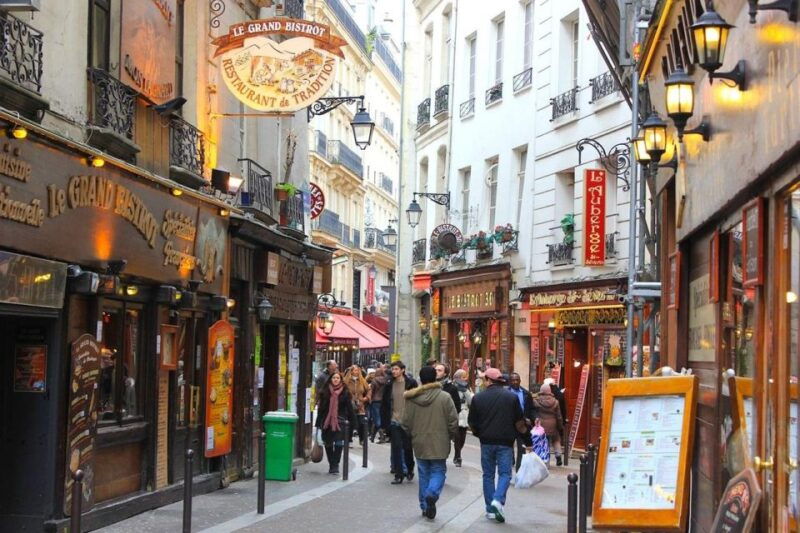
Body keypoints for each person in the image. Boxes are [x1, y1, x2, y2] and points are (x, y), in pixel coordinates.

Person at [468, 368, 531, 523]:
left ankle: (490, 509)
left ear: (489, 380)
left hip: (486, 442)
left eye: (484, 379)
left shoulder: (478, 398)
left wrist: (480, 433)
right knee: (505, 474)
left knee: (488, 475)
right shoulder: (511, 398)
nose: (483, 382)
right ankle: (498, 499)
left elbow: (472, 423)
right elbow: (519, 423)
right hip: (505, 442)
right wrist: (528, 440)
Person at [402, 366, 459, 520]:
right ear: (435, 378)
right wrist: (449, 435)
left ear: (421, 379)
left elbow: (405, 422)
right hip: (440, 441)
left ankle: (424, 505)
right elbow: (453, 420)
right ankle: (432, 494)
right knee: (438, 470)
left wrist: (413, 434)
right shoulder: (445, 397)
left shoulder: (412, 398)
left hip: (419, 441)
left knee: (423, 473)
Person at [381, 360, 418, 484]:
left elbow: (417, 401)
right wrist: (384, 423)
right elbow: (384, 404)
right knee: (396, 448)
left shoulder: (411, 383)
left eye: (396, 369)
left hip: (407, 421)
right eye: (393, 369)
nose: (394, 371)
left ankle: (410, 469)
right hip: (394, 420)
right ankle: (399, 474)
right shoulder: (389, 384)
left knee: (407, 448)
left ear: (402, 370)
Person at [315, 371, 357, 474]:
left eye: (338, 378)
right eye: (334, 378)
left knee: (338, 442)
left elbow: (349, 408)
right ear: (330, 379)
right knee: (328, 443)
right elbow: (321, 409)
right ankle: (331, 463)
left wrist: (354, 422)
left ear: (341, 380)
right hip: (327, 421)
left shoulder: (345, 392)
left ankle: (335, 465)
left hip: (340, 421)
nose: (335, 380)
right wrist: (318, 423)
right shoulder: (325, 391)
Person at [507, 372, 537, 471]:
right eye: (513, 380)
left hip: (522, 425)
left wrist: (535, 418)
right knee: (508, 448)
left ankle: (519, 471)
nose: (515, 382)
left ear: (520, 381)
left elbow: (532, 409)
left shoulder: (526, 394)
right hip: (509, 425)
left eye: (517, 380)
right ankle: (509, 464)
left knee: (522, 449)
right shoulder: (506, 394)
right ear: (509, 381)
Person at [533, 383, 565, 466]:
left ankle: (546, 462)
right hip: (553, 424)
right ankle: (558, 454)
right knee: (556, 439)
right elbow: (559, 416)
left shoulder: (536, 401)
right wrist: (560, 426)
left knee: (544, 443)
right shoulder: (555, 402)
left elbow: (534, 412)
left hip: (541, 424)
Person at [344, 364, 370, 446]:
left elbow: (369, 390)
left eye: (358, 370)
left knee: (362, 422)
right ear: (351, 371)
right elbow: (343, 391)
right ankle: (349, 440)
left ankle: (362, 439)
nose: (357, 372)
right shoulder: (346, 381)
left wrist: (366, 398)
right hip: (350, 405)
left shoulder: (362, 380)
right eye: (355, 370)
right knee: (350, 423)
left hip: (360, 405)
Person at [452, 369, 473, 467]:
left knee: (462, 438)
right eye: (463, 377)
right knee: (457, 437)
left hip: (464, 415)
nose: (465, 379)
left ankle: (457, 454)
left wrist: (466, 391)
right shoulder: (452, 386)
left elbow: (471, 401)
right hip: (454, 413)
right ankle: (458, 457)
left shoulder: (467, 387)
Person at [369, 366, 388, 443]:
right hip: (383, 401)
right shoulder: (386, 380)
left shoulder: (374, 380)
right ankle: (372, 437)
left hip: (375, 401)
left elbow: (372, 391)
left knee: (376, 418)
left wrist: (370, 399)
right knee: (376, 418)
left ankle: (382, 436)